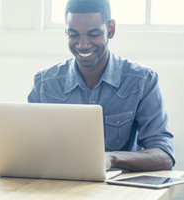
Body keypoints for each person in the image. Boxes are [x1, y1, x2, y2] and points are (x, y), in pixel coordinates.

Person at [27, 0, 174, 171]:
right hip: (59, 186)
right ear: (66, 31)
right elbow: (29, 147)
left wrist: (111, 158)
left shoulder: (142, 80)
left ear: (110, 30)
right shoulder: (44, 84)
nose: (82, 45)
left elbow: (164, 156)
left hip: (118, 191)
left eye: (93, 34)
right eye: (74, 34)